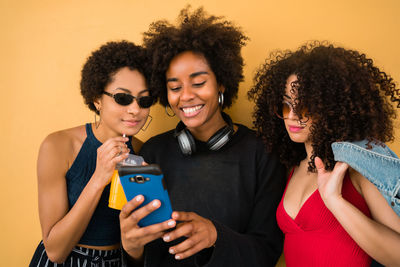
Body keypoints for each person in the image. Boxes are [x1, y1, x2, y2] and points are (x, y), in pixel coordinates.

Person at [119, 7, 286, 267]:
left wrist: (216, 236)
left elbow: (267, 252)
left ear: (221, 84)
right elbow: (146, 255)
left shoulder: (261, 152)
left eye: (198, 83)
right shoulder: (153, 152)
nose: (185, 96)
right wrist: (131, 249)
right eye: (175, 87)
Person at [248, 41, 400, 266]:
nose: (292, 116)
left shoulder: (355, 166)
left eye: (305, 107)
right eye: (286, 106)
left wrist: (334, 200)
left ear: (332, 108)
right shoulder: (289, 167)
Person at [29, 41, 155, 266]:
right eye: (122, 98)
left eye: (144, 100)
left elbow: (142, 244)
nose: (135, 109)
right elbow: (55, 251)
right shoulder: (58, 146)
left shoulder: (147, 153)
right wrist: (99, 178)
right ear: (97, 98)